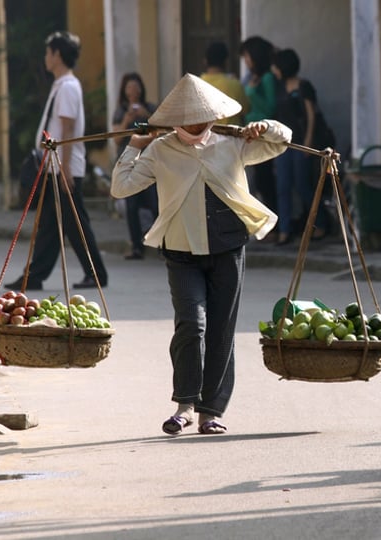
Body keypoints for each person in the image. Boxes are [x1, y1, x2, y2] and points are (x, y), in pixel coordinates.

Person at [111, 74, 291, 436]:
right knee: (191, 324)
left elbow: (282, 141)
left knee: (222, 329)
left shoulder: (233, 143)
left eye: (204, 116)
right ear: (176, 120)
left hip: (228, 246)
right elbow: (121, 186)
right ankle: (184, 405)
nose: (198, 123)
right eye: (190, 118)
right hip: (181, 251)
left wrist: (264, 126)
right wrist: (134, 145)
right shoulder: (161, 149)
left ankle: (212, 412)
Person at [6, 31, 108, 291]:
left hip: (63, 167)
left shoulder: (68, 87)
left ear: (57, 55)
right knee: (51, 226)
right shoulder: (62, 85)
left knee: (75, 224)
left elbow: (67, 129)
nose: (46, 58)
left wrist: (64, 169)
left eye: (48, 53)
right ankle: (34, 276)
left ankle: (95, 275)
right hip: (56, 167)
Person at [270, 48, 331, 245]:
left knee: (304, 186)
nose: (274, 69)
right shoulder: (279, 87)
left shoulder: (304, 86)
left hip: (301, 144)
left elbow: (311, 115)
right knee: (283, 187)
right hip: (284, 145)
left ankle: (321, 223)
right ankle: (285, 231)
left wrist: (308, 141)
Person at [111, 72, 158, 260]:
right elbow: (116, 139)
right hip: (130, 163)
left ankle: (161, 244)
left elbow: (161, 129)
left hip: (150, 162)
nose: (133, 91)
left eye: (136, 87)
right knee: (132, 206)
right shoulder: (121, 111)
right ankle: (137, 246)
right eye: (129, 87)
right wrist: (127, 119)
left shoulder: (150, 108)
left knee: (155, 204)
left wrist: (146, 116)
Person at [240, 36, 279, 217]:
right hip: (251, 134)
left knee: (265, 180)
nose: (246, 61)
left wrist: (254, 93)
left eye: (247, 56)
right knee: (257, 182)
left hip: (264, 134)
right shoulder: (251, 77)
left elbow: (270, 108)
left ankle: (276, 226)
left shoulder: (268, 78)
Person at [201, 41, 249, 125]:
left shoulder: (197, 84)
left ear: (205, 61)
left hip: (205, 136)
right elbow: (246, 109)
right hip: (231, 136)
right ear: (226, 61)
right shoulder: (234, 84)